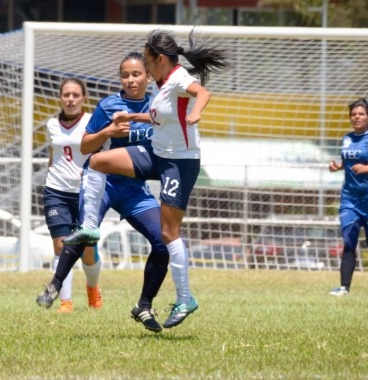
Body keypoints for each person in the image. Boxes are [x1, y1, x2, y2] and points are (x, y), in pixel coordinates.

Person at [61, 28, 228, 328]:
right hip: (155, 154)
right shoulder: (161, 83)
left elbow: (202, 93)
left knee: (168, 233)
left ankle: (185, 298)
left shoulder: (177, 78)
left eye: (147, 63)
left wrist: (196, 114)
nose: (144, 70)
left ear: (160, 60)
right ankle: (89, 229)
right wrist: (131, 118)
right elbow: (156, 117)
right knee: (98, 161)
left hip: (178, 163)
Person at [37, 52, 170, 333]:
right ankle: (55, 285)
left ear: (148, 76)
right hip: (104, 184)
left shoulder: (158, 106)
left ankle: (144, 305)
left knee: (163, 240)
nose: (131, 80)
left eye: (136, 74)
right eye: (125, 75)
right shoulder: (109, 105)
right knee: (85, 231)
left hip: (135, 190)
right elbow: (86, 147)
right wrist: (108, 131)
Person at [41, 77, 102, 313]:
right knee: (61, 244)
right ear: (60, 97)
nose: (70, 99)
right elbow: (53, 154)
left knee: (87, 251)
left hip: (86, 193)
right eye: (66, 94)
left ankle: (92, 289)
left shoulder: (92, 122)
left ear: (84, 98)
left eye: (76, 95)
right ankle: (65, 302)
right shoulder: (51, 124)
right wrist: (48, 181)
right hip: (56, 190)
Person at [328, 98, 368, 297]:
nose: (357, 117)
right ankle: (344, 288)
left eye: (361, 114)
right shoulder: (347, 138)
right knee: (349, 241)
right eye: (353, 114)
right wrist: (339, 166)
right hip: (349, 198)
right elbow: (350, 161)